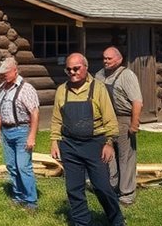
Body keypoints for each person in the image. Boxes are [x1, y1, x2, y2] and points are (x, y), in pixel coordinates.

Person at [51, 53, 124, 226]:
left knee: (102, 187)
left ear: (86, 67)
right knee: (73, 189)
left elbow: (110, 119)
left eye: (76, 68)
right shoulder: (62, 90)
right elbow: (56, 119)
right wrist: (54, 141)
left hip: (95, 145)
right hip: (69, 145)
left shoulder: (98, 88)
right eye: (68, 69)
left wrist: (109, 143)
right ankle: (82, 222)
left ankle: (116, 220)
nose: (72, 72)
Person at [95, 46, 143, 206]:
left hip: (124, 120)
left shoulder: (127, 75)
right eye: (104, 58)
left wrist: (134, 125)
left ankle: (127, 194)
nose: (106, 61)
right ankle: (112, 188)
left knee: (125, 157)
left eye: (109, 58)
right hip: (106, 122)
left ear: (119, 59)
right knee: (108, 157)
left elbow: (137, 102)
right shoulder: (99, 76)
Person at [0, 57, 40, 212]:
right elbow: (0, 111)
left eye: (5, 73)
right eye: (1, 73)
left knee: (23, 166)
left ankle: (31, 201)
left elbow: (34, 113)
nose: (3, 75)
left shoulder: (26, 89)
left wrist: (32, 136)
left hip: (22, 131)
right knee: (12, 166)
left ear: (15, 71)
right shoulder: (2, 87)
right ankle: (18, 197)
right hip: (6, 131)